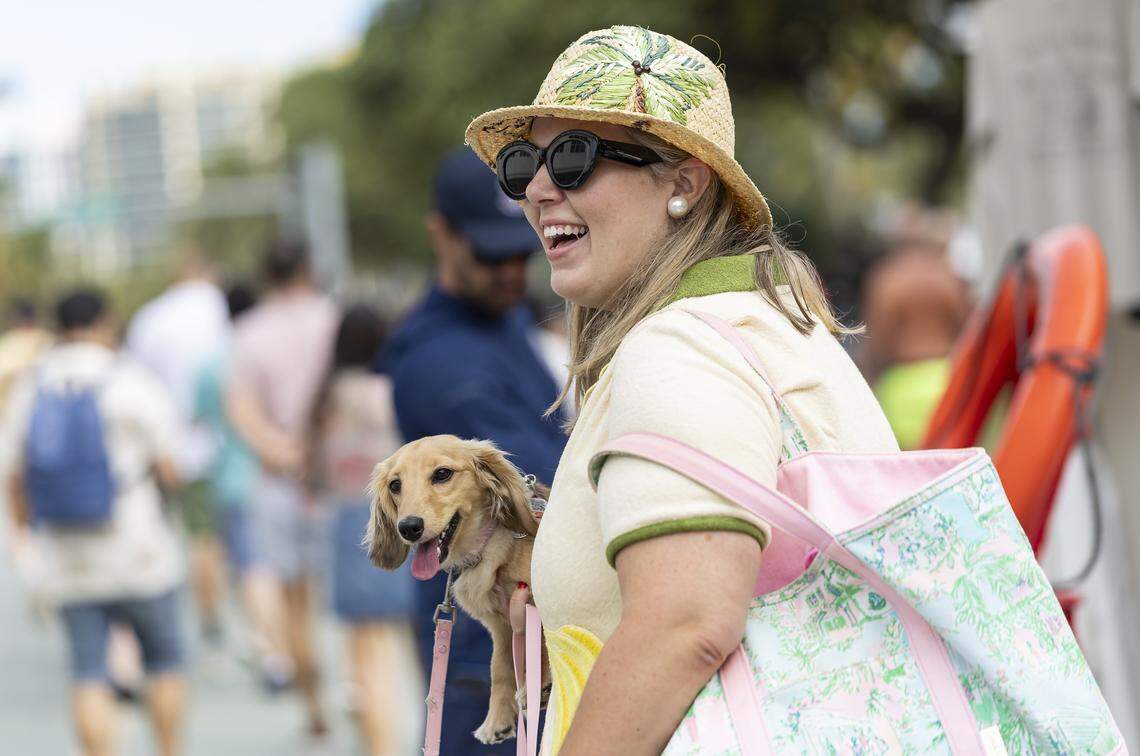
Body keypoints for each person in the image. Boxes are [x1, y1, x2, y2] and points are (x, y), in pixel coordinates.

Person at [464, 26, 900, 755]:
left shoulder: (681, 347)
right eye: (522, 165)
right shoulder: (762, 320)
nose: (538, 191)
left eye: (573, 158)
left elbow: (685, 627)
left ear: (685, 182)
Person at [379, 146, 567, 755]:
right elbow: (539, 485)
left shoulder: (501, 317)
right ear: (442, 234)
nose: (511, 271)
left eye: (520, 250)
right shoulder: (436, 361)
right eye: (490, 254)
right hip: (479, 643)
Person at [0, 289, 187, 756]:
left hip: (67, 551)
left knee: (87, 671)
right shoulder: (129, 379)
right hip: (137, 542)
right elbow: (171, 467)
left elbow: (14, 475)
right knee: (164, 660)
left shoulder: (33, 386)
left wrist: (24, 540)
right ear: (105, 323)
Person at [227, 238, 338, 742]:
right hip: (340, 476)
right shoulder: (334, 319)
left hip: (279, 480)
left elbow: (243, 411)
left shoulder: (249, 333)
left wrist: (282, 452)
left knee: (297, 601)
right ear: (309, 269)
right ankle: (359, 681)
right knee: (363, 602)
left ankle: (312, 701)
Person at [310, 304, 415, 756]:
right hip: (404, 519)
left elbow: (312, 468)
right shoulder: (394, 391)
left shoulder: (327, 398)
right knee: (417, 643)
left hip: (347, 519)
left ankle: (378, 746)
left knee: (365, 649)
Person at [126, 252, 231, 645]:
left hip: (155, 447)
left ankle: (152, 626)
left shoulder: (149, 317)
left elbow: (136, 381)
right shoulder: (215, 309)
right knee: (204, 536)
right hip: (204, 446)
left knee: (155, 532)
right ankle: (210, 619)